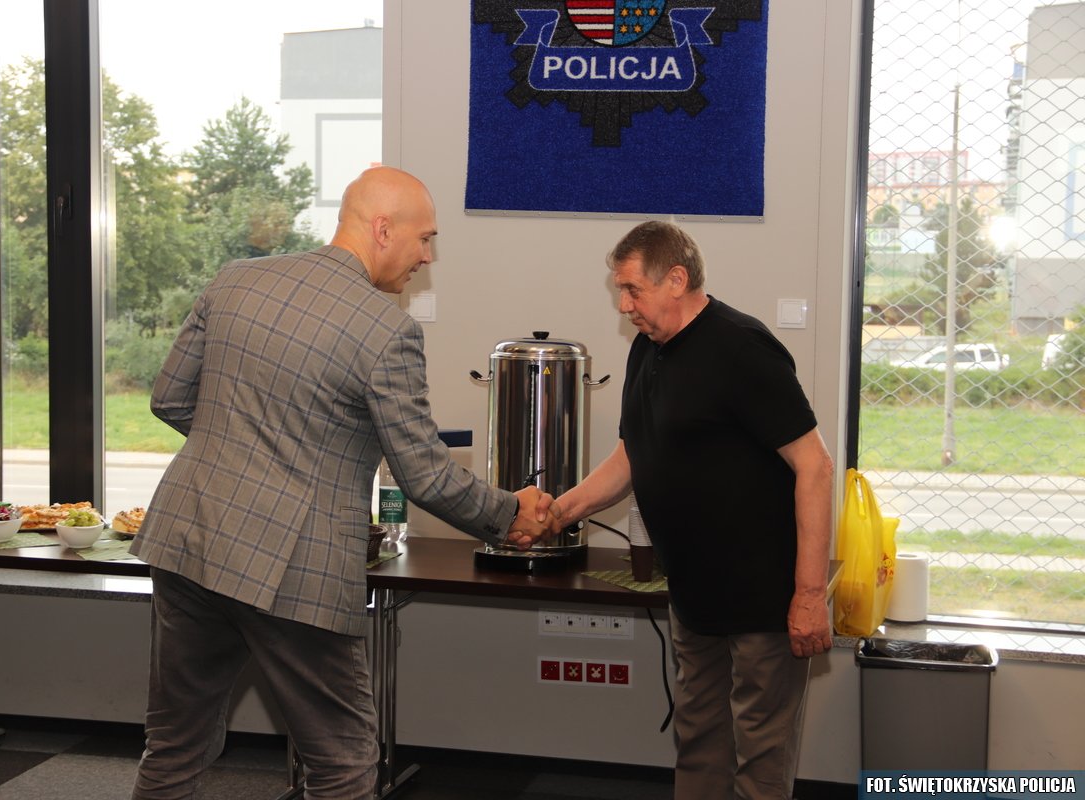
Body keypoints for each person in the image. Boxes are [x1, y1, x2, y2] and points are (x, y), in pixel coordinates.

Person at [129, 166, 560, 800]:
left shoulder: (235, 280)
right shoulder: (387, 331)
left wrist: (245, 452)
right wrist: (509, 512)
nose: (428, 256)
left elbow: (169, 399)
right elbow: (424, 475)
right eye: (425, 239)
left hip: (189, 540)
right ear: (383, 229)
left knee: (174, 743)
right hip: (292, 566)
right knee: (343, 762)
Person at [545, 221, 834, 800]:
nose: (624, 305)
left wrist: (808, 595)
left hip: (761, 596)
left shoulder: (741, 348)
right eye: (621, 291)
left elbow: (816, 466)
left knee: (761, 756)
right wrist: (559, 512)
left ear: (676, 279)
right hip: (693, 592)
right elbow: (631, 455)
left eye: (632, 290)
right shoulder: (646, 349)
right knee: (698, 739)